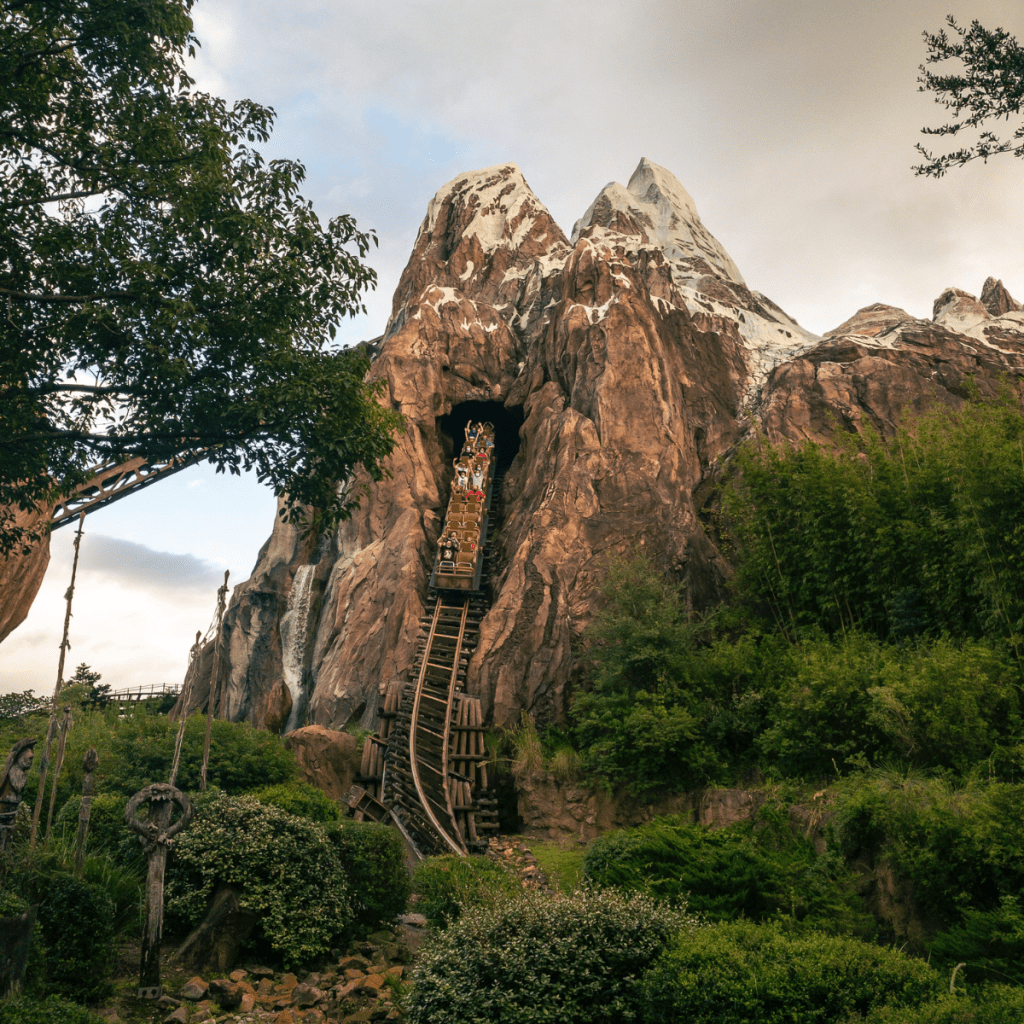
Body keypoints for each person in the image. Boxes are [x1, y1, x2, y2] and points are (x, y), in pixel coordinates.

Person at [0, 738, 35, 849]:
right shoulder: (15, 770)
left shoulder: (20, 771)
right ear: (20, 758)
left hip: (12, 806)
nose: (30, 761)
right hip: (6, 804)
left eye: (32, 759)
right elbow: (18, 787)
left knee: (9, 831)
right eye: (29, 758)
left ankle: (6, 854)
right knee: (4, 831)